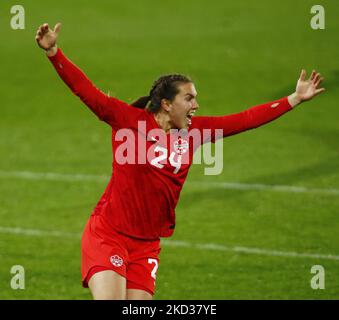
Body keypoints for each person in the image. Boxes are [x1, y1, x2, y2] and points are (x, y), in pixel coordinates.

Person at [35, 22, 325, 300]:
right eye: (189, 99)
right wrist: (53, 52)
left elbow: (244, 120)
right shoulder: (128, 121)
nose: (196, 105)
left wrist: (293, 99)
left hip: (147, 245)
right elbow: (85, 90)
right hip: (109, 234)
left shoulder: (196, 132)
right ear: (167, 104)